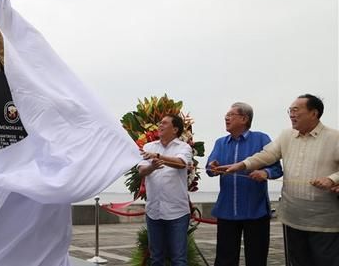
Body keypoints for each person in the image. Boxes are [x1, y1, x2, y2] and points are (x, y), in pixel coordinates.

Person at [216, 94, 339, 266]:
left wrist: (332, 179)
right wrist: (243, 165)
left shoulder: (334, 137)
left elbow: (274, 168)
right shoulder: (286, 135)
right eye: (290, 110)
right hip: (292, 217)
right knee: (296, 261)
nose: (291, 114)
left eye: (296, 110)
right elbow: (267, 155)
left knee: (325, 260)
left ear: (314, 113)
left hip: (323, 220)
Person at [206, 102, 283, 266]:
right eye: (226, 115)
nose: (226, 118)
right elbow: (209, 169)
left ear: (244, 118)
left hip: (255, 210)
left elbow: (277, 168)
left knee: (256, 259)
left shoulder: (261, 138)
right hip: (227, 210)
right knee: (224, 260)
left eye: (230, 115)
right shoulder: (220, 142)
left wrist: (265, 173)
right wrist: (212, 167)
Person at [138, 115, 193, 266]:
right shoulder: (148, 147)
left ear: (175, 129)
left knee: (179, 259)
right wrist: (152, 166)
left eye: (164, 123)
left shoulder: (184, 147)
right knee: (156, 258)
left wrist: (158, 157)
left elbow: (181, 164)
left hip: (177, 212)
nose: (159, 125)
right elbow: (141, 171)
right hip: (153, 211)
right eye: (159, 123)